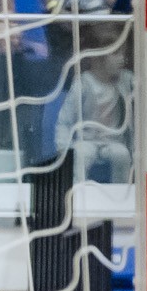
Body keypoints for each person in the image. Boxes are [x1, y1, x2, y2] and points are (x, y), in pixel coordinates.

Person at [53, 25, 133, 184]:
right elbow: (65, 120)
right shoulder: (83, 84)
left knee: (122, 155)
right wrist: (63, 148)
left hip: (114, 141)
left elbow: (142, 86)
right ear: (98, 57)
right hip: (87, 141)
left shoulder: (124, 80)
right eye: (115, 53)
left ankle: (121, 191)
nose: (121, 59)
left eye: (123, 53)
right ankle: (77, 190)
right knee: (81, 155)